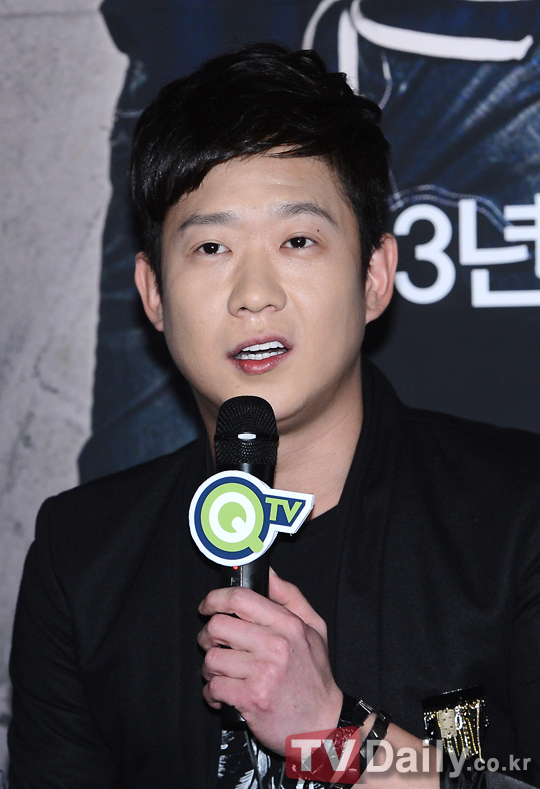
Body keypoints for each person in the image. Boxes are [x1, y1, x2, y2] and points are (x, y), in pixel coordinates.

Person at [8, 44, 540, 789]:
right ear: (153, 294)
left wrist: (331, 734)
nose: (254, 292)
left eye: (297, 240)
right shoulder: (83, 558)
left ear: (375, 275)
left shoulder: (515, 514)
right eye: (212, 246)